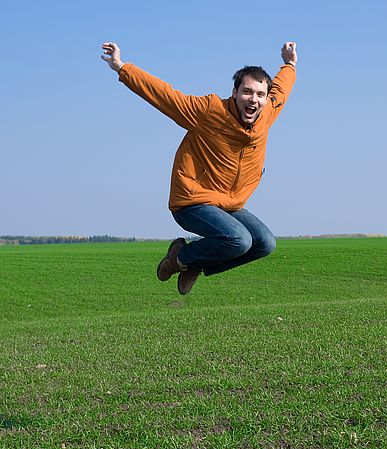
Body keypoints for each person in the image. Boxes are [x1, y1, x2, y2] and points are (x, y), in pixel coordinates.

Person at [101, 41, 297, 295]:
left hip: (229, 204)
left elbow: (281, 89)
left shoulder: (267, 113)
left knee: (265, 244)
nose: (254, 99)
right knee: (240, 239)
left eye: (260, 94)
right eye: (247, 92)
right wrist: (121, 67)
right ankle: (181, 258)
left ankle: (192, 262)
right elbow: (165, 96)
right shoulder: (208, 111)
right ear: (235, 92)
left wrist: (290, 64)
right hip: (191, 201)